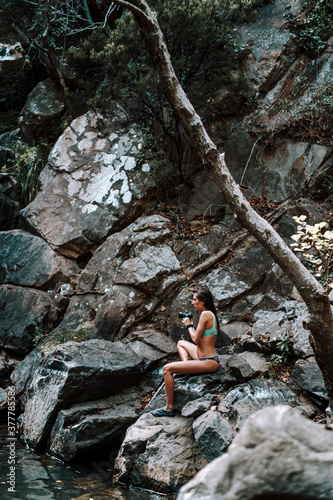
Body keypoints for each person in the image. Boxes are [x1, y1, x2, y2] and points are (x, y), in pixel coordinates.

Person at [152, 287, 220, 417]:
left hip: (208, 361)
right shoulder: (208, 313)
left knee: (167, 369)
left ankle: (168, 408)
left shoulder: (205, 315)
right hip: (203, 356)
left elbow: (195, 339)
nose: (192, 302)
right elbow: (200, 340)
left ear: (203, 301)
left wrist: (189, 325)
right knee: (181, 344)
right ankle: (187, 367)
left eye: (195, 300)